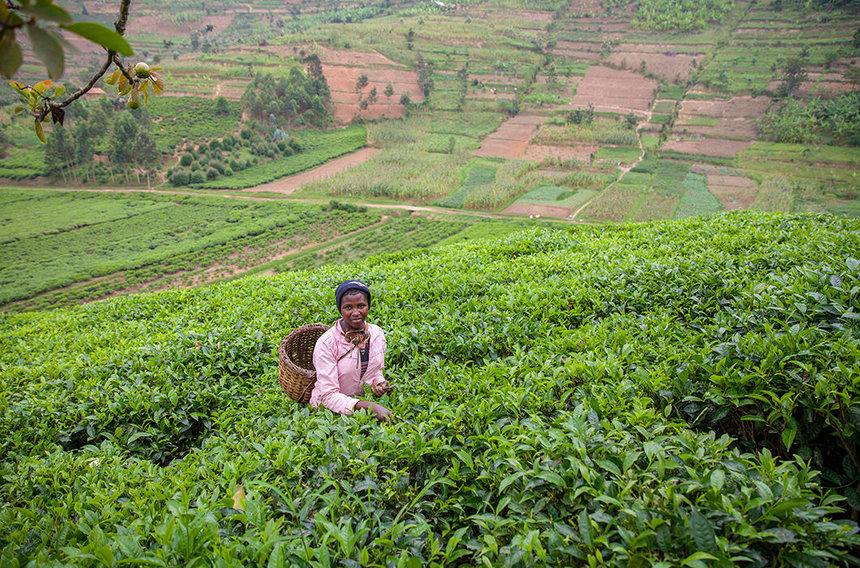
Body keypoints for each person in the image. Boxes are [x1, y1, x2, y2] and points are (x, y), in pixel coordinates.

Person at [310, 280, 395, 424]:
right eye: (348, 307)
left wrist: (378, 383)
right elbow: (328, 395)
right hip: (330, 414)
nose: (356, 313)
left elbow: (376, 369)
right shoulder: (327, 344)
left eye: (361, 306)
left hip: (364, 402)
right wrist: (368, 407)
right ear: (340, 309)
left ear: (368, 306)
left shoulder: (377, 334)